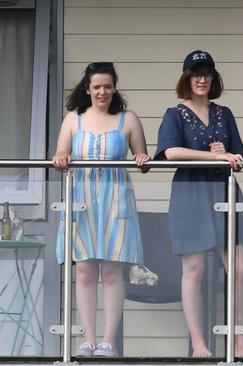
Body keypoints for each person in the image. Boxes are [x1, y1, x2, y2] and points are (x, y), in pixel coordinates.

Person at [154, 50, 243, 358]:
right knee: (194, 270)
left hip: (223, 189)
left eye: (206, 74)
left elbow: (240, 157)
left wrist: (227, 154)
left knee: (241, 269)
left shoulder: (224, 113)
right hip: (190, 193)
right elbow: (169, 152)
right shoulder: (175, 114)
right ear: (186, 79)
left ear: (213, 78)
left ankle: (240, 341)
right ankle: (200, 346)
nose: (202, 79)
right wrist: (214, 155)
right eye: (195, 74)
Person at [52, 62, 150, 357]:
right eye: (97, 87)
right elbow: (59, 152)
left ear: (115, 87)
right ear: (88, 88)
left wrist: (142, 156)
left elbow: (141, 155)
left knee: (111, 270)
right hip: (81, 196)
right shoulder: (73, 119)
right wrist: (60, 156)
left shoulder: (128, 119)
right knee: (83, 269)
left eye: (108, 86)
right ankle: (88, 339)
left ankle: (108, 340)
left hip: (116, 197)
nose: (102, 91)